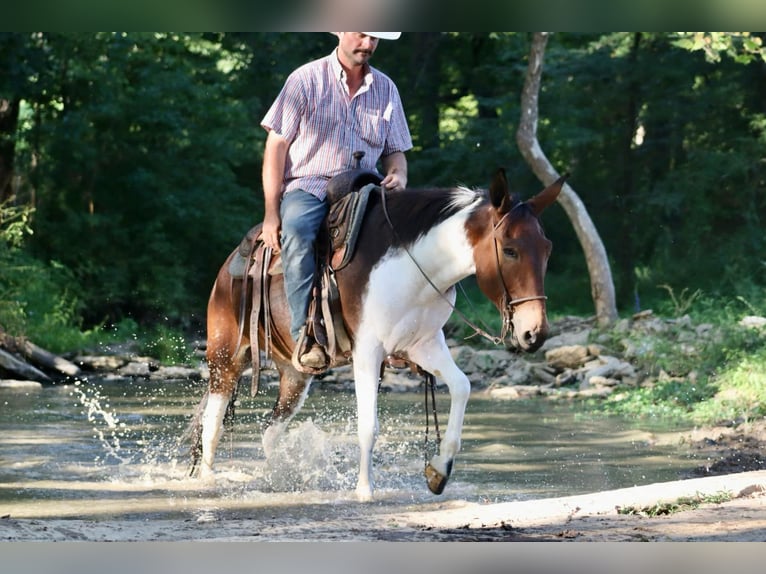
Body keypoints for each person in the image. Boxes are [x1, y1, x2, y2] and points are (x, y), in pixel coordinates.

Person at [260, 32, 413, 370]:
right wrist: (272, 214)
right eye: (361, 34)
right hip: (309, 184)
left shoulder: (386, 88)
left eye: (375, 37)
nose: (368, 43)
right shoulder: (305, 80)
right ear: (341, 31)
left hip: (364, 188)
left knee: (404, 243)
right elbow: (276, 147)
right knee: (298, 233)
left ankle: (395, 336)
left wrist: (398, 176)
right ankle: (306, 335)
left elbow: (395, 152)